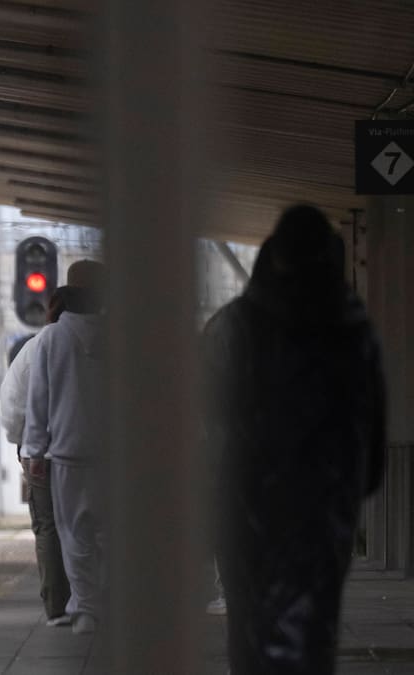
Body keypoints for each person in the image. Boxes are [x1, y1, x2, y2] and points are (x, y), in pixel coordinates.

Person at [202, 204, 385, 674]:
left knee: (248, 624)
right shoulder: (353, 330)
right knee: (314, 626)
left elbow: (200, 416)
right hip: (324, 511)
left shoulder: (231, 326)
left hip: (243, 505)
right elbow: (371, 423)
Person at [22, 282, 107, 635]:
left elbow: (38, 400)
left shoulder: (51, 338)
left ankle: (85, 610)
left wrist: (33, 450)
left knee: (75, 534)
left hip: (67, 453)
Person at [0, 286, 72, 627]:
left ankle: (57, 605)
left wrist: (22, 446)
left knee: (48, 527)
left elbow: (14, 404)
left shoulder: (37, 347)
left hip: (42, 452)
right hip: (96, 452)